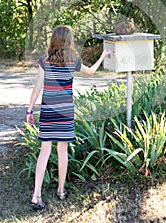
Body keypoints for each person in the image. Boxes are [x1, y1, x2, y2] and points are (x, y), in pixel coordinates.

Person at [26, 25, 112, 209]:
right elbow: (91, 72)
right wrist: (103, 56)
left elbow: (37, 88)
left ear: (54, 39)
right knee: (62, 151)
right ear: (69, 41)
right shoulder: (73, 60)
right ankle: (61, 190)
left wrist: (29, 110)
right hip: (65, 112)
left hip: (48, 111)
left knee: (44, 151)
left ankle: (36, 194)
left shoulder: (45, 60)